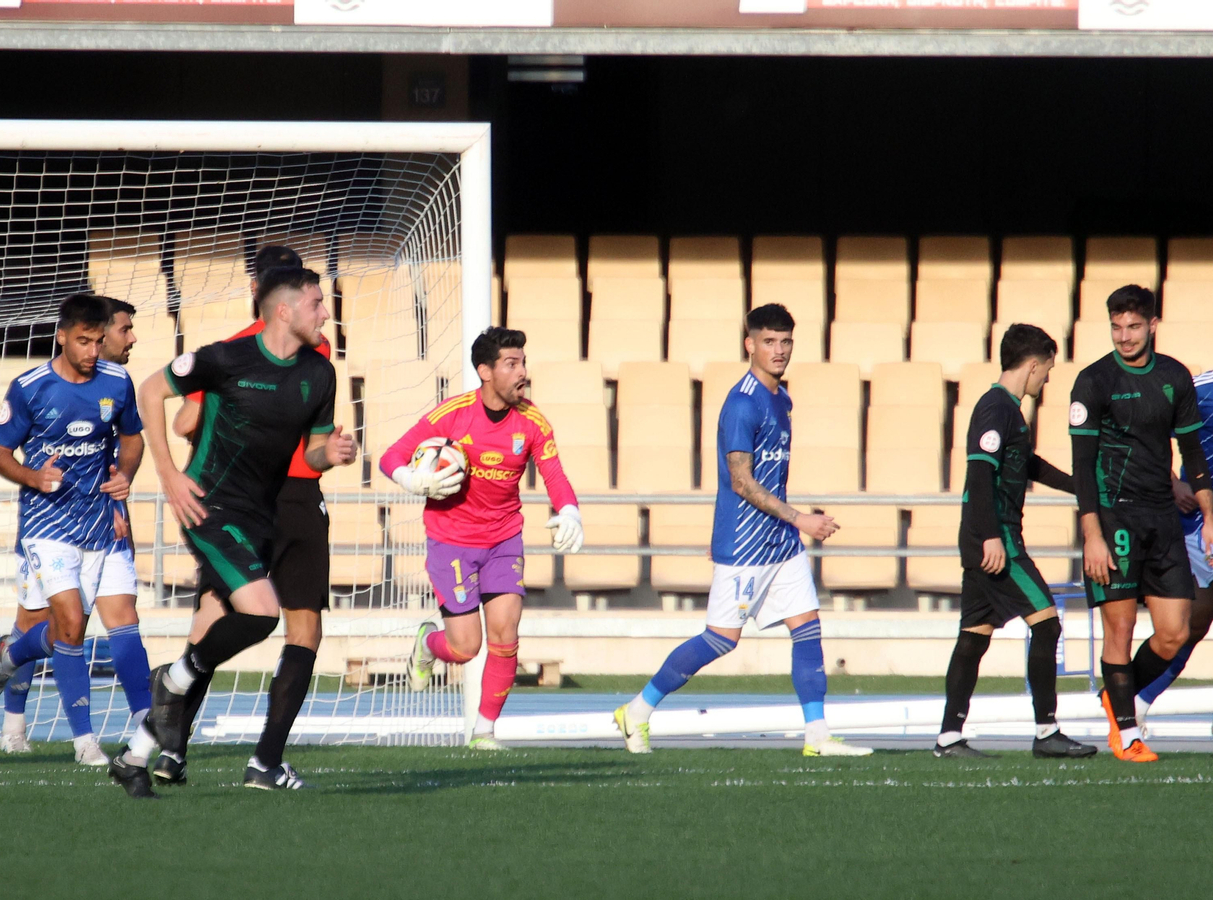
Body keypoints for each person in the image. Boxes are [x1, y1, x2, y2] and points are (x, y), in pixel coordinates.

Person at [612, 303, 870, 757]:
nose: (779, 350)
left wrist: (792, 524)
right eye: (769, 341)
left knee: (807, 628)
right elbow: (741, 481)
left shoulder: (782, 399)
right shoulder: (742, 404)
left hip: (781, 543)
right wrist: (801, 518)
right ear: (749, 344)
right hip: (746, 544)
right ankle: (637, 710)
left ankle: (817, 736)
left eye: (786, 341)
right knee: (720, 640)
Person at [135, 265, 355, 793]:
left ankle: (160, 751)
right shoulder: (230, 354)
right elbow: (166, 403)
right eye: (317, 302)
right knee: (265, 623)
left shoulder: (319, 370)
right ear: (282, 306)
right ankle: (203, 746)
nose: (326, 312)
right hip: (245, 507)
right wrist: (168, 472)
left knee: (217, 623)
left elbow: (315, 449)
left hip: (280, 502)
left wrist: (335, 453)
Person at [0, 294, 156, 781]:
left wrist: (127, 476)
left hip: (100, 522)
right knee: (67, 624)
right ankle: (79, 740)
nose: (93, 350)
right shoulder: (30, 387)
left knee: (108, 620)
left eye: (99, 341)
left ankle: (143, 719)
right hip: (48, 526)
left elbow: (133, 438)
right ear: (61, 335)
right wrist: (33, 477)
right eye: (83, 341)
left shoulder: (117, 382)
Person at [390, 325, 585, 751]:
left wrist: (569, 510)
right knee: (465, 648)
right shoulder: (453, 415)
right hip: (451, 539)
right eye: (512, 364)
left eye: (523, 362)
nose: (523, 372)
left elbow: (553, 473)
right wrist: (412, 478)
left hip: (503, 539)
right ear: (485, 371)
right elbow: (392, 456)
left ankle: (484, 732)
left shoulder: (532, 420)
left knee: (505, 634)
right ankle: (428, 641)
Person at [933, 324, 1095, 759]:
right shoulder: (995, 408)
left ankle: (949, 737)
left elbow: (1030, 465)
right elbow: (980, 474)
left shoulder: (1007, 411)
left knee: (973, 637)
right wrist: (990, 536)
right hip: (997, 539)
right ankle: (1047, 733)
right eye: (1047, 371)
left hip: (986, 538)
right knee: (1047, 622)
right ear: (1033, 365)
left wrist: (1082, 486)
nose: (1047, 380)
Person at [1070, 285, 1213, 763]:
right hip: (1114, 517)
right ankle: (1127, 733)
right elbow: (1083, 464)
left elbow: (1192, 452)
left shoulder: (1174, 376)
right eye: (1116, 326)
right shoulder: (1093, 381)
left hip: (1162, 517)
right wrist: (1092, 534)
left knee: (1176, 630)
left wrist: (1208, 512)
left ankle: (1117, 697)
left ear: (1152, 325)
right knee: (1121, 627)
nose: (1124, 336)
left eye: (1133, 326)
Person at [1134, 368, 1213, 724]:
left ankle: (1133, 701)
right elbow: (1143, 429)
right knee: (1188, 625)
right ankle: (1130, 699)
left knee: (1195, 624)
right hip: (1200, 525)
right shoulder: (1204, 389)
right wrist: (1172, 483)